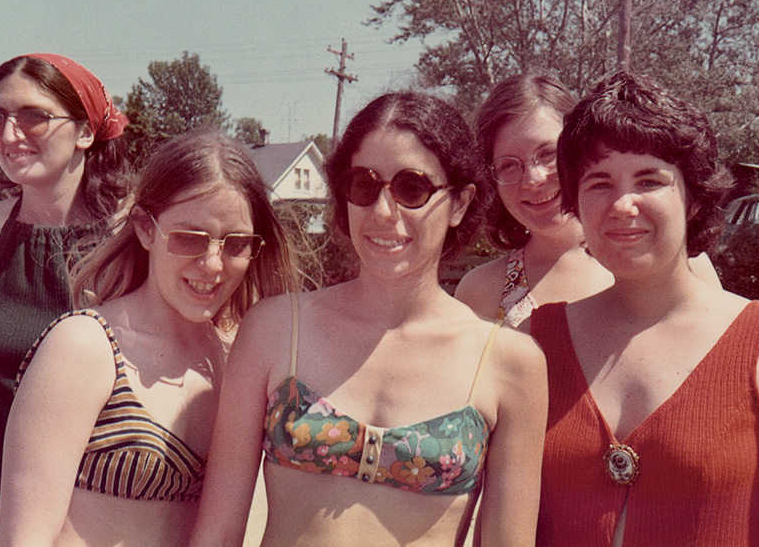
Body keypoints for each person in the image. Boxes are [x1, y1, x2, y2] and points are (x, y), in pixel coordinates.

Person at [188, 92, 547, 547]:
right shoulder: (275, 328)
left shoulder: (509, 363)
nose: (383, 212)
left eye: (412, 188)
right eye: (364, 184)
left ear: (459, 203)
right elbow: (217, 533)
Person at [530, 71, 759, 546]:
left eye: (649, 179)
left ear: (693, 198)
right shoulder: (532, 344)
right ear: (575, 202)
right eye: (599, 182)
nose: (623, 204)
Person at [0, 129, 297, 546]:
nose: (212, 264)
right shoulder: (85, 347)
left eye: (235, 244)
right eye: (189, 238)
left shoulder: (236, 363)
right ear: (145, 229)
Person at [0, 53, 129, 545]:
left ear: (85, 131)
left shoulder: (135, 237)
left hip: (104, 514)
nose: (9, 135)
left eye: (33, 116)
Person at [455, 73, 720, 328]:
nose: (533, 179)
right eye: (509, 165)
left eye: (548, 154)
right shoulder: (483, 290)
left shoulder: (676, 260)